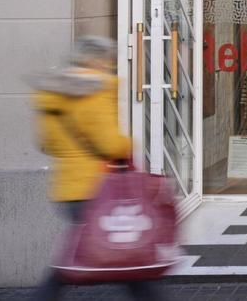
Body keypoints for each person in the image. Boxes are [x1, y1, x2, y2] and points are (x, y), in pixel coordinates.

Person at [30, 37, 160, 301]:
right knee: (121, 252)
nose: (108, 66)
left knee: (90, 251)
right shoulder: (94, 90)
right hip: (98, 186)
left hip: (68, 188)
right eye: (107, 60)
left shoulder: (53, 94)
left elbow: (46, 143)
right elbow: (110, 143)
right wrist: (128, 144)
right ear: (94, 59)